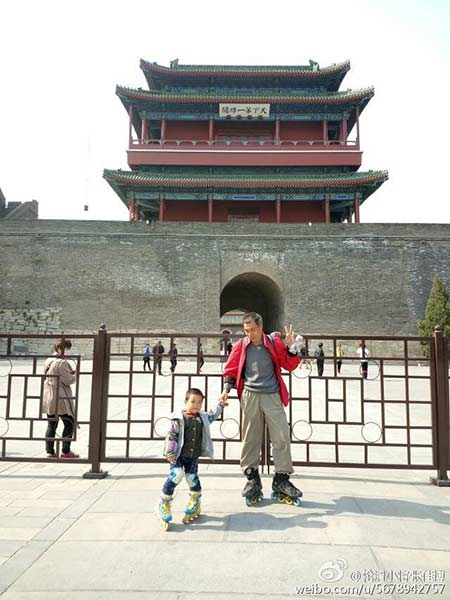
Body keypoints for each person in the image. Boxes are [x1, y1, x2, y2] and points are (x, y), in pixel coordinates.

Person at [220, 312, 303, 504]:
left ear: (261, 326)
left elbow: (289, 365)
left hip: (272, 395)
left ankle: (281, 479)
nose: (250, 334)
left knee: (281, 435)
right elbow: (231, 369)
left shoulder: (274, 343)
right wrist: (226, 391)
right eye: (246, 331)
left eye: (253, 330)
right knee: (250, 437)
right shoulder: (241, 346)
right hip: (250, 395)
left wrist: (292, 348)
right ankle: (252, 479)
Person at [158, 387, 225, 526]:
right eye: (193, 401)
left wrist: (221, 404)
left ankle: (195, 501)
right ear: (185, 401)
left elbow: (213, 414)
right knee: (177, 474)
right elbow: (172, 435)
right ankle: (164, 503)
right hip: (178, 456)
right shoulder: (179, 419)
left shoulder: (202, 417)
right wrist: (170, 452)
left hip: (192, 457)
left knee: (192, 478)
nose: (196, 405)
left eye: (199, 403)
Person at [43, 338, 79, 459]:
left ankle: (50, 452)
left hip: (49, 395)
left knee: (51, 424)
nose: (68, 351)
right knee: (69, 422)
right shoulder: (62, 362)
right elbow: (68, 380)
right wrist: (74, 375)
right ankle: (65, 451)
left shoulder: (48, 360)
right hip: (61, 396)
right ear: (61, 349)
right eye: (67, 349)